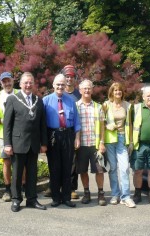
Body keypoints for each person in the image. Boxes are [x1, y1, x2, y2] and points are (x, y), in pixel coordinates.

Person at [3, 72, 48, 212]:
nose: (28, 85)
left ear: (33, 84)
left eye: (30, 82)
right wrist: (7, 144)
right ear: (20, 84)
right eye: (25, 82)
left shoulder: (38, 100)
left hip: (34, 144)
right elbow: (7, 124)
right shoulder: (12, 99)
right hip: (17, 144)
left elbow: (42, 124)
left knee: (32, 174)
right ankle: (16, 199)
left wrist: (44, 143)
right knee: (16, 174)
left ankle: (32, 199)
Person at [43, 74, 81, 208]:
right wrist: (43, 142)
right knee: (54, 167)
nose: (60, 87)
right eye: (58, 84)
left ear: (66, 86)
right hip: (53, 135)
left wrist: (77, 138)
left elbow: (76, 121)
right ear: (53, 85)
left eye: (62, 84)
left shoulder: (71, 101)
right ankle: (55, 197)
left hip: (68, 135)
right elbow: (42, 123)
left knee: (67, 167)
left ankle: (66, 197)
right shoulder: (46, 101)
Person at [103, 82, 136, 208]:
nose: (118, 92)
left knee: (124, 168)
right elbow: (101, 122)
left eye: (120, 90)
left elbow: (131, 124)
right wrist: (107, 126)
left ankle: (126, 196)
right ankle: (115, 194)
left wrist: (131, 141)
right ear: (112, 92)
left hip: (122, 139)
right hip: (110, 139)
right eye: (115, 90)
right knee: (112, 168)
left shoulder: (127, 106)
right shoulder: (106, 105)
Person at [76, 79, 107, 206]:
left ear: (92, 90)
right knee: (83, 170)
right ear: (80, 90)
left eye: (89, 88)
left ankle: (100, 194)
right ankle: (86, 193)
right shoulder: (75, 106)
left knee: (99, 170)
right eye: (84, 88)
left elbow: (102, 127)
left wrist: (102, 142)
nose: (87, 90)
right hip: (81, 145)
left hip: (95, 145)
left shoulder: (98, 107)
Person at [0, 72, 19, 202]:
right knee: (7, 163)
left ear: (13, 81)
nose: (7, 83)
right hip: (4, 136)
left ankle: (20, 189)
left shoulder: (20, 93)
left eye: (9, 81)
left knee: (20, 163)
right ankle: (7, 190)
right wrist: (5, 121)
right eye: (4, 81)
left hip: (20, 134)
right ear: (1, 83)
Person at [62, 65, 82, 200]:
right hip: (58, 133)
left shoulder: (78, 95)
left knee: (73, 162)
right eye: (67, 76)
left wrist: (77, 136)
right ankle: (55, 186)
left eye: (71, 77)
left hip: (72, 132)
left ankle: (72, 188)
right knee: (58, 161)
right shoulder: (58, 91)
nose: (69, 79)